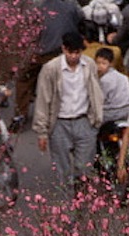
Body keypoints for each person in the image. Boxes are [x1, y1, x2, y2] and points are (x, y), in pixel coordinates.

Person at [33, 31, 103, 184]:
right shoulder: (51, 69)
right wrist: (42, 132)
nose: (73, 56)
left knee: (84, 167)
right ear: (64, 49)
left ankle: (82, 198)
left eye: (77, 52)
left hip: (84, 120)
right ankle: (67, 202)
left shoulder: (89, 65)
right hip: (59, 122)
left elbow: (95, 91)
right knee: (62, 169)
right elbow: (43, 100)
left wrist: (97, 118)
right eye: (70, 52)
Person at [9, 0, 84, 132]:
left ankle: (20, 114)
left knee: (24, 80)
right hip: (61, 51)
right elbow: (81, 18)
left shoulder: (34, 6)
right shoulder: (71, 5)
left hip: (37, 51)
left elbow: (25, 27)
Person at [94, 47, 129, 123]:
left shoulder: (105, 80)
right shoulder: (124, 77)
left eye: (103, 63)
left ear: (111, 64)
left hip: (112, 112)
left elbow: (100, 99)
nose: (100, 66)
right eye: (98, 63)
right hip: (128, 109)